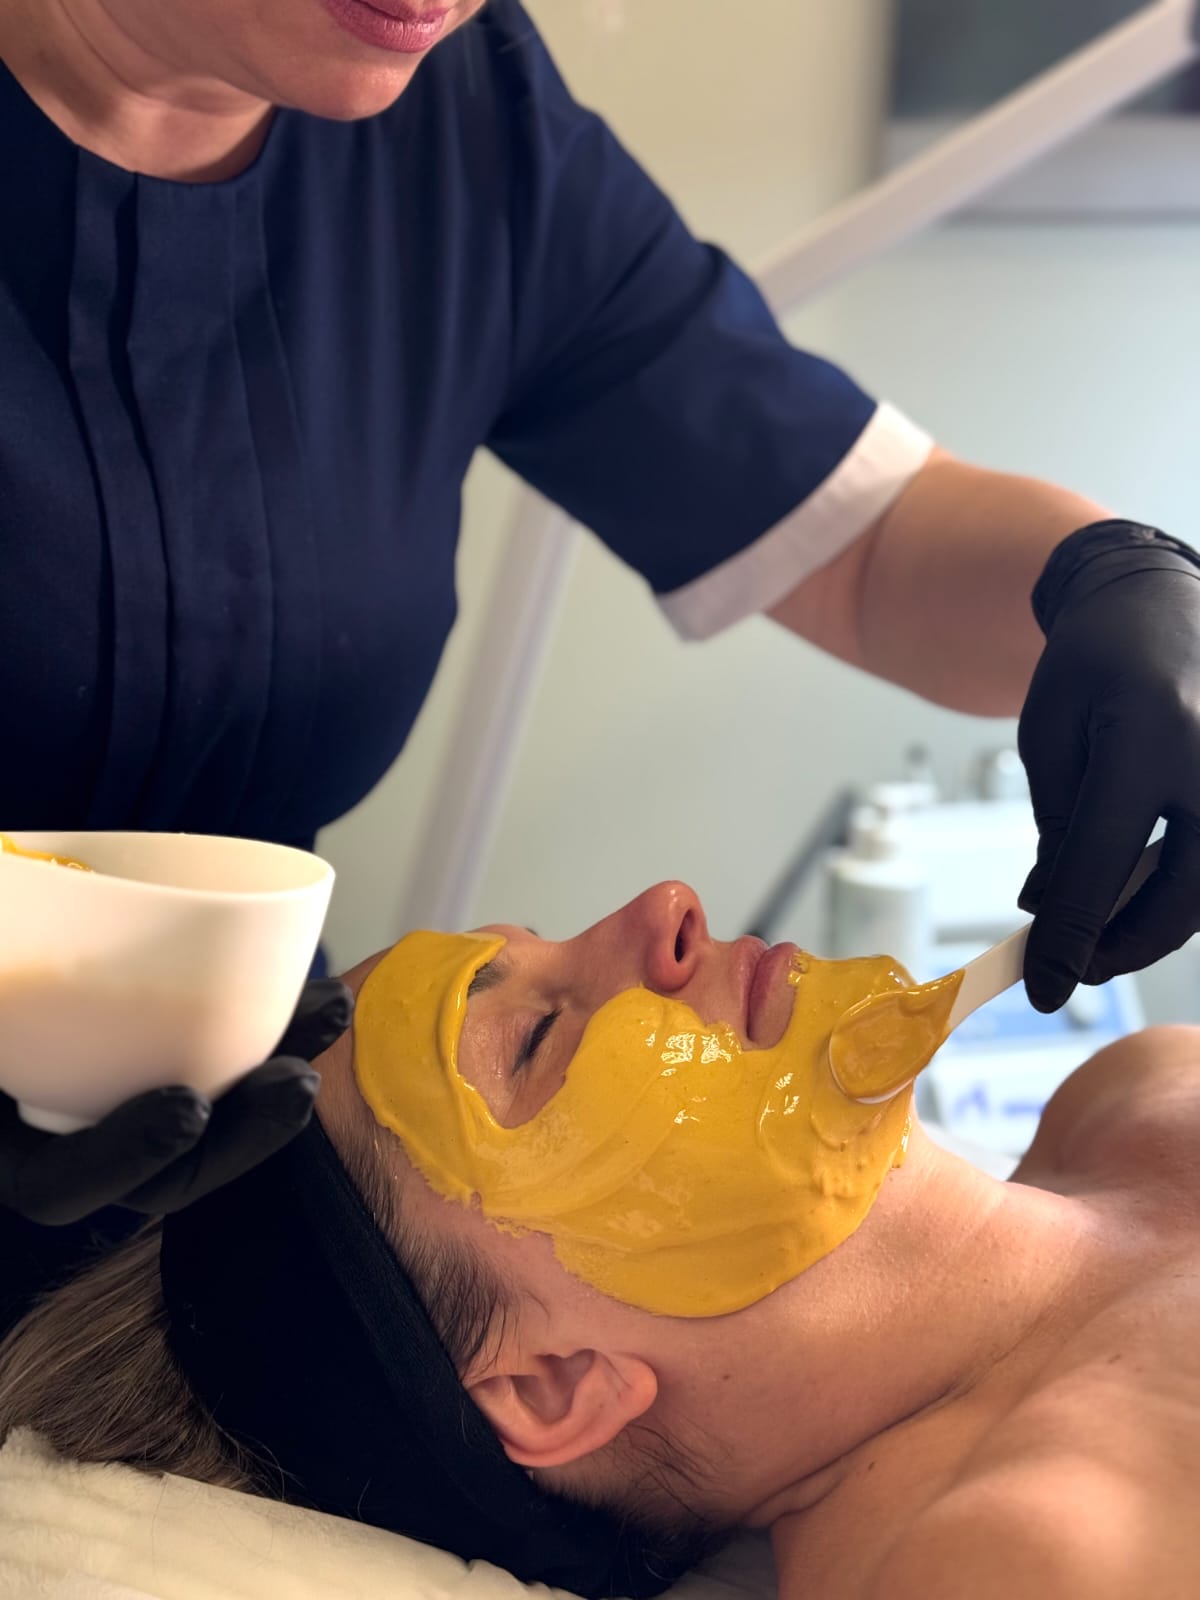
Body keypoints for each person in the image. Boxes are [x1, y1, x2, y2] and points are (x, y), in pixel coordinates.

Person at [2, 0, 1199, 1313]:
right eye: (531, 1036)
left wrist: (1125, 583)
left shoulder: (465, 118)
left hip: (226, 1223)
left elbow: (857, 542)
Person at [3, 881, 1198, 1599]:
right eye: (536, 1041)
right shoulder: (1022, 1558)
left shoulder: (1129, 1092)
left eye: (543, 948)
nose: (666, 906)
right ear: (555, 1383)